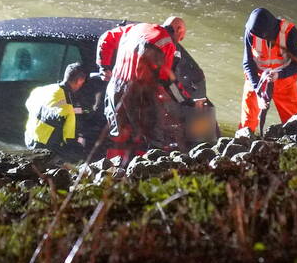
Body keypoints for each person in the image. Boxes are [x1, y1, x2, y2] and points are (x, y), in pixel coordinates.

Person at [103, 21, 207, 163]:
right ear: (177, 30)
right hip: (139, 93)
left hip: (115, 88)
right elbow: (167, 80)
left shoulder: (136, 28)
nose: (178, 42)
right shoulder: (167, 43)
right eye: (181, 37)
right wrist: (185, 101)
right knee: (151, 136)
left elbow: (106, 37)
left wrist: (104, 66)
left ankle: (110, 173)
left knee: (118, 135)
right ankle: (146, 170)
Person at [240, 7, 297, 133]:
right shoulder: (251, 30)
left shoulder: (289, 32)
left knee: (294, 123)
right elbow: (247, 63)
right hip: (256, 80)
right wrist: (259, 92)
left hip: (284, 82)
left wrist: (279, 75)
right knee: (247, 123)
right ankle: (243, 144)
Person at [24, 62, 88, 154]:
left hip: (29, 138)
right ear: (80, 80)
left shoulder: (42, 89)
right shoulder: (68, 109)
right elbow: (69, 139)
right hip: (43, 148)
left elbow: (30, 104)